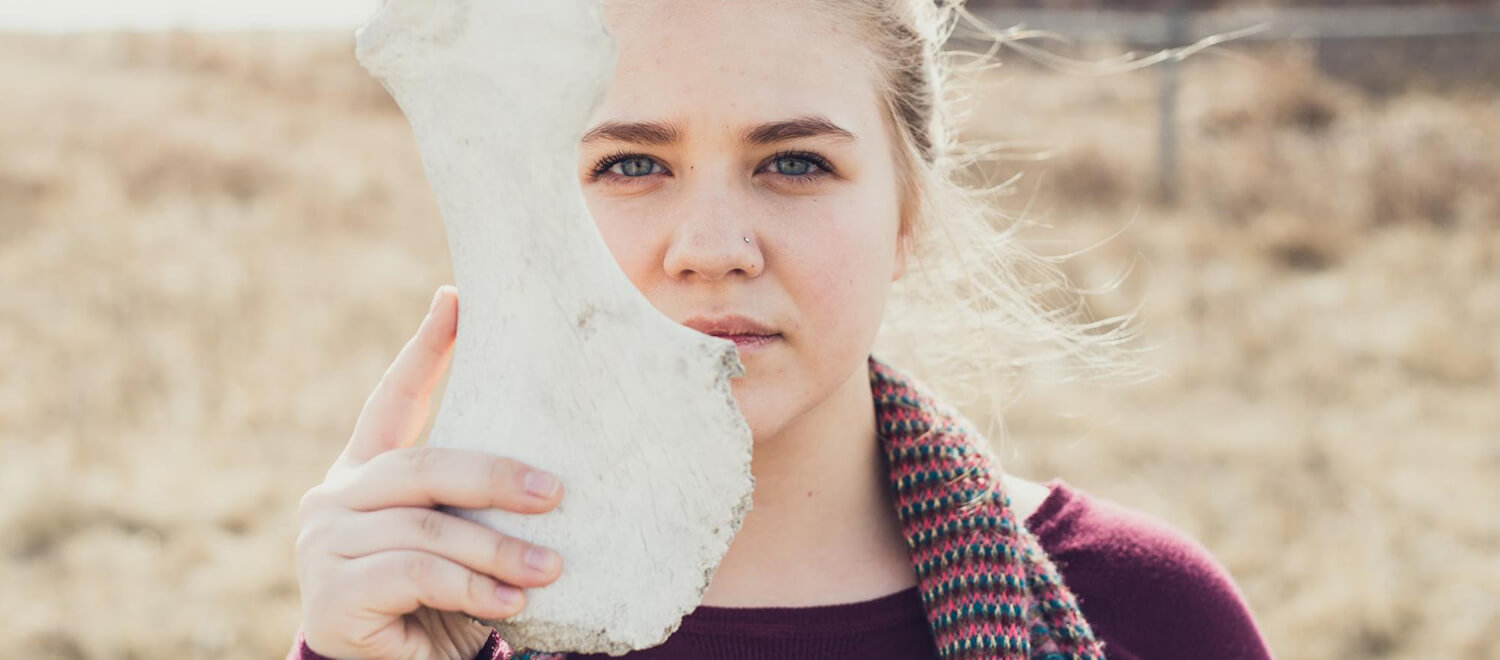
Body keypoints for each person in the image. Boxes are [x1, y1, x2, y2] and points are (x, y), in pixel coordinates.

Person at [290, 1, 1275, 659]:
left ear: (907, 216)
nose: (713, 248)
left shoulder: (1145, 611)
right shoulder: (435, 613)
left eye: (795, 163)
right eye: (632, 165)